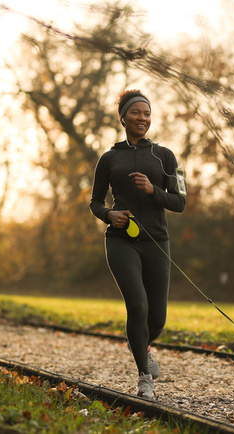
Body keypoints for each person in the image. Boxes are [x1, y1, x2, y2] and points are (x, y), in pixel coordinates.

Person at [90, 89, 186, 400]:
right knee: (138, 306)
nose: (142, 118)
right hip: (121, 240)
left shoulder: (165, 156)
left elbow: (180, 202)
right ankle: (144, 376)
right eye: (136, 113)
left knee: (157, 317)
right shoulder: (109, 158)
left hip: (156, 241)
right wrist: (109, 214)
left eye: (146, 113)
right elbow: (94, 201)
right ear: (123, 118)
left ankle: (141, 343)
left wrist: (152, 190)